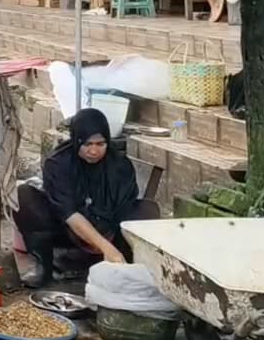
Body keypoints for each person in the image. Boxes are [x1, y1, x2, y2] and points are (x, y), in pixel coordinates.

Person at [12, 108, 161, 288]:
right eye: (87, 144)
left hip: (110, 229)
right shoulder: (58, 163)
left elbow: (124, 208)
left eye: (100, 144)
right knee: (25, 196)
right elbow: (69, 214)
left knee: (147, 210)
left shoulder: (120, 165)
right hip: (67, 231)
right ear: (76, 141)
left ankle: (129, 267)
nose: (94, 151)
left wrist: (111, 244)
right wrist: (105, 247)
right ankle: (44, 265)